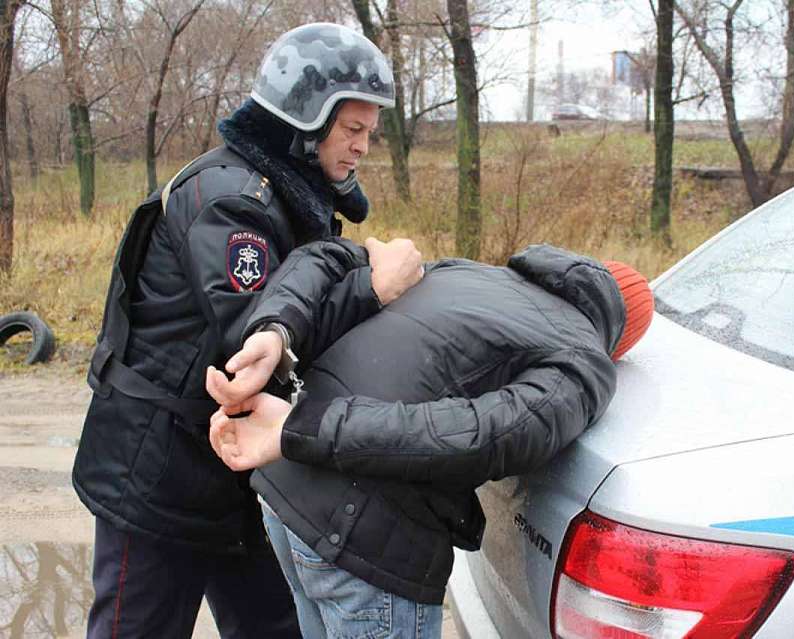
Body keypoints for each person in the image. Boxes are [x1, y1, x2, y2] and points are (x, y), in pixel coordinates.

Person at [72, 23, 423, 639]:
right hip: (157, 475)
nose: (364, 147)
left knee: (278, 627)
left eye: (370, 132)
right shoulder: (231, 203)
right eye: (353, 129)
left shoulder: (290, 196)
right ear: (305, 120)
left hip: (236, 470)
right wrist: (372, 288)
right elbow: (253, 339)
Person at [205, 241, 655, 638]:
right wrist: (303, 428)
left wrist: (276, 329)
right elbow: (483, 437)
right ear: (619, 339)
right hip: (361, 533)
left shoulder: (470, 272)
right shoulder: (584, 358)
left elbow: (324, 254)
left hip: (286, 491)